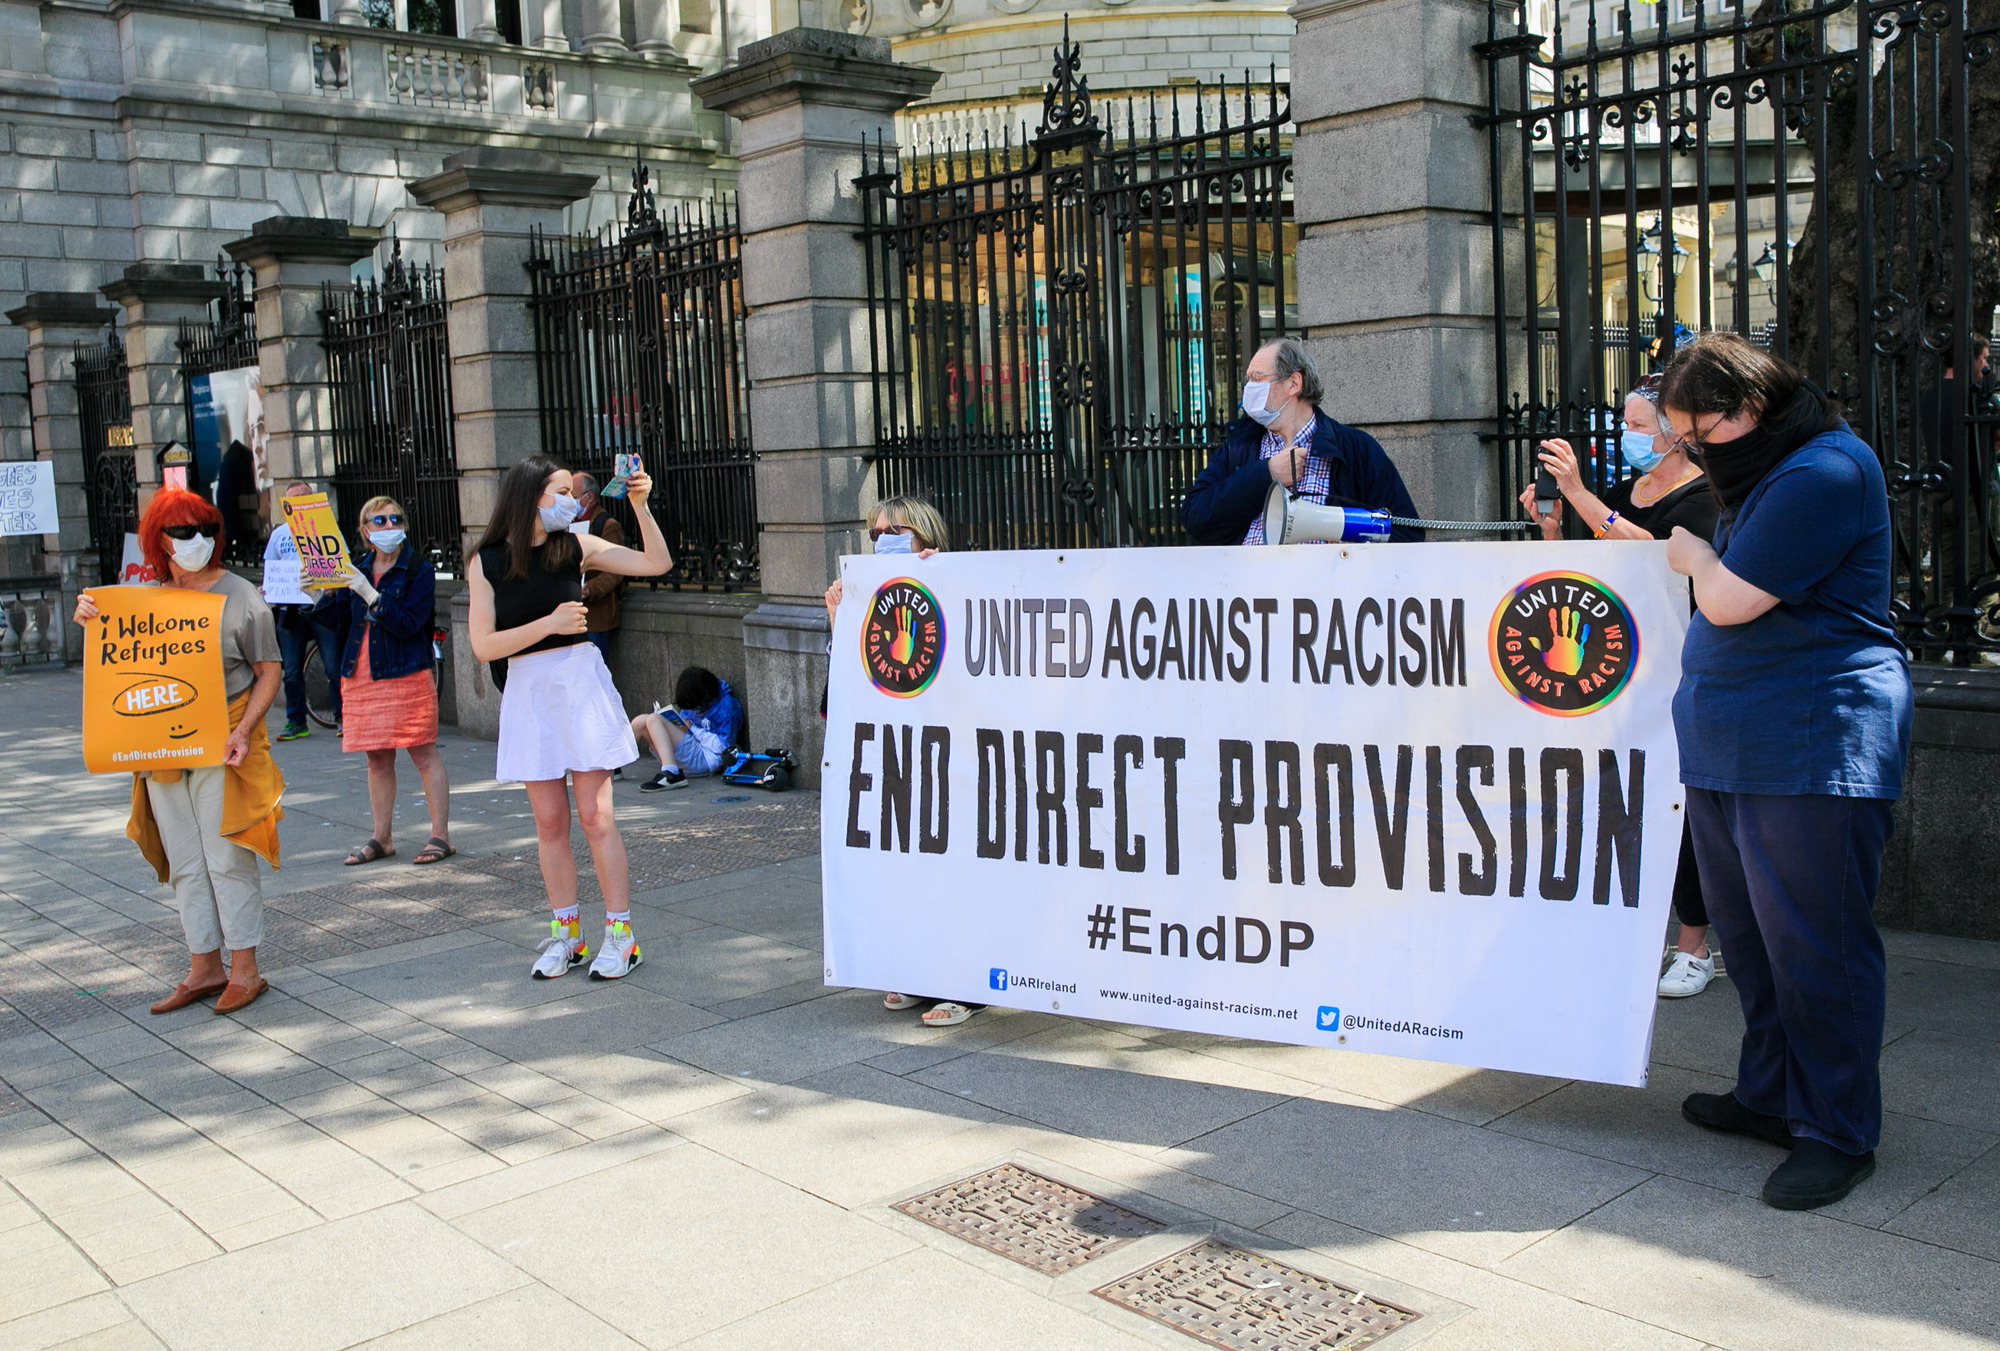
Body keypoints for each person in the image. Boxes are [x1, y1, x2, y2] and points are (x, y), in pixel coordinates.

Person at [1659, 333, 1912, 1211]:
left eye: (1701, 433)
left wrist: (1696, 558)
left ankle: (1837, 1131)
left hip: (1810, 740)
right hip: (1736, 739)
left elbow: (1731, 598)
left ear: (1751, 407)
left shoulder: (1825, 470)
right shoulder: (1769, 466)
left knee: (1817, 946)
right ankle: (1770, 1093)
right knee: (1753, 938)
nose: (1693, 451)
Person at [1520, 374, 1721, 999]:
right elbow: (1590, 567)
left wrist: (1580, 494)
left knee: (1683, 810)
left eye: (1637, 425)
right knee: (1621, 803)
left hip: (1678, 668)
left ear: (1676, 432)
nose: (1626, 435)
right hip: (1615, 672)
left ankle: (1695, 945)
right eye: (1625, 423)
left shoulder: (1704, 495)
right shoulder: (1621, 493)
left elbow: (1654, 554)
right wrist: (1554, 526)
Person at [74, 488, 284, 1016]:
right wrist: (91, 618)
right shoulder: (141, 599)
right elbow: (115, 663)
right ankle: (204, 966)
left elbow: (269, 671)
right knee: (185, 862)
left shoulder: (241, 595)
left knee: (227, 856)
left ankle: (246, 970)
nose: (198, 540)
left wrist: (245, 730)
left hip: (224, 739)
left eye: (207, 530)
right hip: (160, 748)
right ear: (159, 540)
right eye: (184, 531)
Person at [467, 454, 672, 982]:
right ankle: (568, 936)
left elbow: (656, 563)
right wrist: (550, 623)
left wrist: (641, 506)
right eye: (559, 492)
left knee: (595, 816)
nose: (571, 501)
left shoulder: (575, 545)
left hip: (578, 685)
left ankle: (621, 936)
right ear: (529, 496)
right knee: (550, 823)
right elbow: (484, 645)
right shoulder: (487, 561)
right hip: (529, 690)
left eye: (571, 492)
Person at [824, 495, 986, 1029]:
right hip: (899, 759)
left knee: (953, 872)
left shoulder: (958, 584)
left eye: (895, 531)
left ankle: (965, 986)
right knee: (906, 872)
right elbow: (841, 701)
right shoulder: (866, 599)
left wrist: (942, 581)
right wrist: (840, 622)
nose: (882, 541)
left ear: (924, 535)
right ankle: (917, 971)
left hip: (951, 757)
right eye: (875, 535)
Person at [1181, 337, 1423, 545]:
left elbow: (1406, 531)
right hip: (1250, 583)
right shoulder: (1239, 447)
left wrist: (1349, 546)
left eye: (1258, 378)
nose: (1249, 388)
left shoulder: (1354, 449)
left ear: (1294, 383)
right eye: (1249, 379)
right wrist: (1266, 474)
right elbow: (1194, 518)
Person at [336, 496, 453, 868]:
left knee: (423, 752)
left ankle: (440, 835)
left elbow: (410, 623)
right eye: (380, 521)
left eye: (396, 519)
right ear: (365, 530)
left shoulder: (419, 569)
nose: (389, 526)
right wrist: (318, 593)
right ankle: (381, 837)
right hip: (362, 674)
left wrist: (371, 595)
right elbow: (338, 622)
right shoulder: (357, 567)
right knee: (376, 758)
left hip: (406, 670)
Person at [264, 482, 346, 740]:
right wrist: (267, 589)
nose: (298, 502)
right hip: (290, 609)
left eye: (303, 497)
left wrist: (333, 585)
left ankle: (344, 718)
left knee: (333, 667)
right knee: (290, 670)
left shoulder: (327, 530)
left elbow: (343, 564)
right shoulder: (279, 535)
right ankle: (296, 721)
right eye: (293, 499)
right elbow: (270, 569)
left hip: (322, 607)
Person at [631, 666, 743, 792]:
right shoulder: (694, 700)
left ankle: (671, 773)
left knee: (654, 719)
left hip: (706, 758)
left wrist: (693, 728)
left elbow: (724, 747)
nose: (692, 709)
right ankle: (616, 766)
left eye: (693, 705)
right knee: (640, 721)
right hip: (691, 750)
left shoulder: (727, 706)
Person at [573, 472, 628, 664]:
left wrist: (590, 588)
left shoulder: (606, 525)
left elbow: (616, 570)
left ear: (588, 497)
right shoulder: (568, 523)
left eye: (573, 496)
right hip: (572, 616)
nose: (570, 501)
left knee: (595, 669)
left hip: (596, 617)